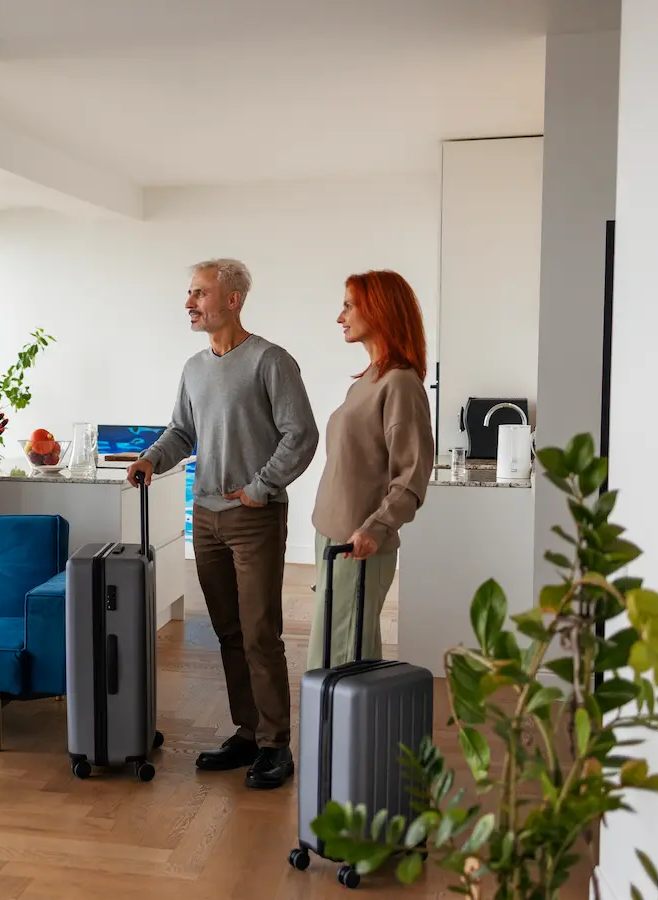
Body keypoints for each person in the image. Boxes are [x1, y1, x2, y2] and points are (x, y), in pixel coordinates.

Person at [127, 258, 319, 790]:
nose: (189, 302)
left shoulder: (270, 361)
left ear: (232, 299)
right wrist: (150, 459)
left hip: (253, 518)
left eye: (199, 293)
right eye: (189, 293)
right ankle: (248, 733)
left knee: (260, 632)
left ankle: (278, 746)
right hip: (206, 517)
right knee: (228, 632)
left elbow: (300, 434)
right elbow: (181, 433)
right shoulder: (193, 368)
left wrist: (260, 489)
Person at [309, 270, 434, 670]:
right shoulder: (369, 379)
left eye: (348, 305)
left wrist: (374, 529)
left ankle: (335, 733)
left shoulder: (399, 384)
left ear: (378, 310)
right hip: (334, 537)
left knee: (340, 658)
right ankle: (341, 733)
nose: (339, 316)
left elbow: (412, 476)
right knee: (342, 652)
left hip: (358, 544)